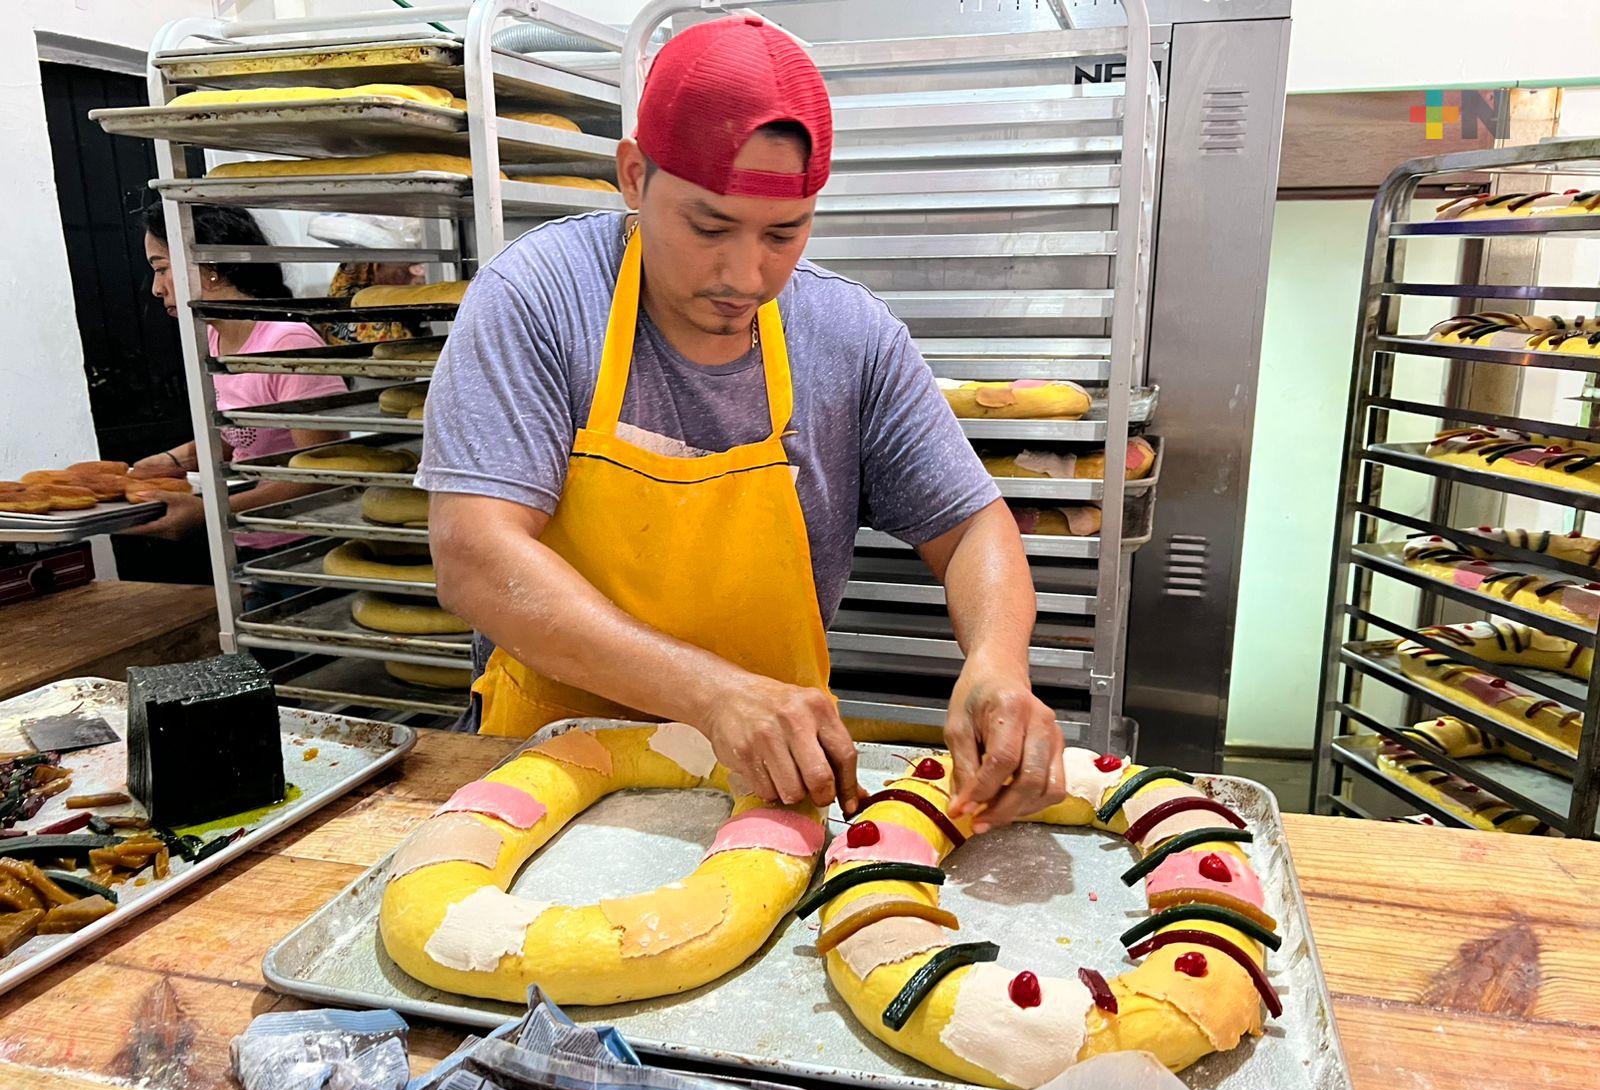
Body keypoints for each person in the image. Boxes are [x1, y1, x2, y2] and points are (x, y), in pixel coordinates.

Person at [419, 16, 1064, 832]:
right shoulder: (540, 298)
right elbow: (474, 554)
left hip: (773, 785)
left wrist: (998, 660)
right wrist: (713, 695)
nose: (744, 274)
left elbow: (972, 527)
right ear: (632, 175)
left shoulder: (849, 336)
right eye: (709, 227)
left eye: (783, 235)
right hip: (549, 765)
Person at [126, 203, 343, 545]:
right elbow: (241, 435)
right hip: (249, 543)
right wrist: (170, 461)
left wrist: (212, 511)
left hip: (303, 546)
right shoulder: (215, 337)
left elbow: (325, 471)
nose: (156, 288)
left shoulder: (287, 343)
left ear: (210, 269)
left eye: (162, 268)